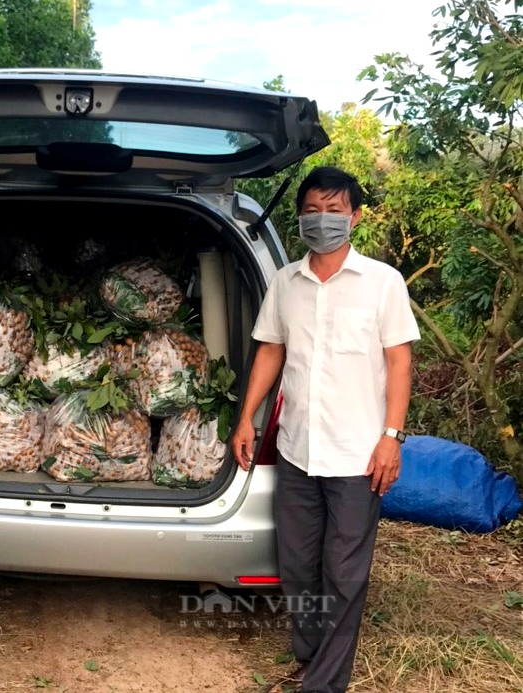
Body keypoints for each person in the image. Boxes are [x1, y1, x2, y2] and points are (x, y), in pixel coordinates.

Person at [230, 166, 420, 693]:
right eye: (312, 210)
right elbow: (271, 349)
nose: (323, 220)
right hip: (296, 449)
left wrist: (392, 437)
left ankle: (324, 684)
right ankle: (310, 656)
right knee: (295, 566)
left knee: (344, 573)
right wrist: (248, 415)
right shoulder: (285, 282)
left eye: (334, 211)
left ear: (354, 217)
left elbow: (400, 364)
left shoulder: (383, 283)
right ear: (300, 217)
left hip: (358, 455)